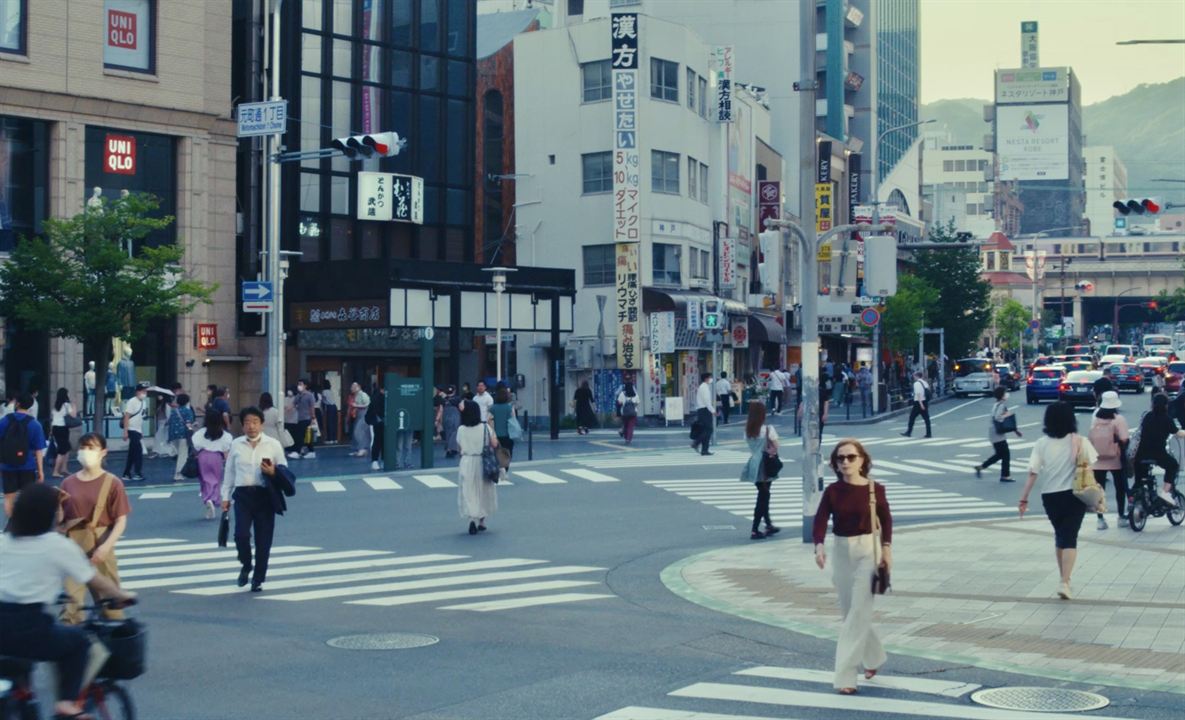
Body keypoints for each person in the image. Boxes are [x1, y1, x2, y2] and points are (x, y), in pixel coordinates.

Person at [0, 484, 136, 720]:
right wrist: (120, 595)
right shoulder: (57, 546)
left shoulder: (4, 542)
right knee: (78, 643)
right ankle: (66, 703)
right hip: (29, 626)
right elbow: (94, 579)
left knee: (20, 674)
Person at [813, 439, 892, 694]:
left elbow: (886, 520)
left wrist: (887, 551)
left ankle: (845, 676)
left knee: (859, 610)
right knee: (851, 613)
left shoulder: (874, 489)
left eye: (851, 457)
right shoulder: (833, 492)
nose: (845, 462)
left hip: (868, 550)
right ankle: (874, 657)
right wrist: (819, 546)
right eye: (840, 458)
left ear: (862, 460)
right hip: (841, 551)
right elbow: (821, 518)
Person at [1018, 401, 1099, 600]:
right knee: (1070, 537)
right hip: (1074, 494)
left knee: (1060, 536)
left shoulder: (1041, 443)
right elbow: (1091, 466)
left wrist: (1024, 498)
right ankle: (1065, 581)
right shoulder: (1079, 441)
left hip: (1050, 496)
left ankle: (1064, 579)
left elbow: (1033, 472)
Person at [58, 432, 131, 624]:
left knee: (110, 605)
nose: (85, 452)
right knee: (71, 604)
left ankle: (116, 644)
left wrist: (105, 547)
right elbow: (61, 518)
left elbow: (121, 520)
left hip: (102, 539)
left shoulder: (112, 482)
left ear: (103, 452)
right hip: (74, 542)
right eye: (83, 448)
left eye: (91, 448)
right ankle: (72, 641)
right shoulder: (68, 482)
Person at [220, 407, 288, 592]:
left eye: (255, 422)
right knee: (240, 535)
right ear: (242, 426)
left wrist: (273, 471)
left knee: (263, 540)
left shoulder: (272, 444)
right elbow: (229, 472)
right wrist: (225, 496)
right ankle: (246, 564)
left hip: (265, 495)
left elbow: (284, 470)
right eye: (247, 422)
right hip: (242, 495)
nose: (251, 426)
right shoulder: (236, 444)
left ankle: (258, 578)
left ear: (262, 424)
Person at [1133, 393, 1185, 507]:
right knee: (1173, 465)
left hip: (1141, 453)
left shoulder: (1147, 416)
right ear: (1166, 405)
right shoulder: (1167, 419)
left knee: (1139, 480)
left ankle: (1135, 498)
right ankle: (1165, 493)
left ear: (1153, 404)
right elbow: (1177, 432)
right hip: (1158, 454)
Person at [1, 393, 47, 520]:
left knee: (9, 498)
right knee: (28, 497)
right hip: (27, 466)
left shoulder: (5, 420)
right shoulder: (35, 424)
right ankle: (25, 526)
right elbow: (38, 450)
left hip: (7, 466)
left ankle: (13, 523)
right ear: (30, 406)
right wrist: (41, 471)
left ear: (17, 404)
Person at [1088, 391, 1130, 528]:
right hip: (1115, 459)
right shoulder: (1118, 419)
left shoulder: (1096, 419)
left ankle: (1100, 520)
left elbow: (1091, 439)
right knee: (1120, 488)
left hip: (1098, 459)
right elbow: (1124, 439)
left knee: (1100, 490)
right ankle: (1120, 516)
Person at [740, 402, 780, 540]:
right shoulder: (768, 429)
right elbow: (776, 446)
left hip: (753, 464)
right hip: (765, 465)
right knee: (763, 497)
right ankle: (755, 529)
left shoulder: (748, 430)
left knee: (764, 494)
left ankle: (768, 524)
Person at [457, 400, 497, 535]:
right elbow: (495, 444)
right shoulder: (485, 428)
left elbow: (459, 447)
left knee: (469, 492)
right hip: (482, 461)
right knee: (483, 491)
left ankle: (471, 519)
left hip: (467, 461)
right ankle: (481, 521)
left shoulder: (461, 429)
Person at [974, 386, 1022, 482]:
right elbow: (997, 418)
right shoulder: (1001, 405)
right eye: (1005, 393)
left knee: (1000, 454)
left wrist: (1015, 430)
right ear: (1002, 395)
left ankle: (982, 467)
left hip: (994, 432)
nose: (1007, 395)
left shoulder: (997, 404)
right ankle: (1005, 475)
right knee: (1005, 454)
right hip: (997, 433)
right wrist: (1006, 415)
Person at [193, 409, 233, 519]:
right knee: (216, 480)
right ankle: (214, 498)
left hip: (202, 456)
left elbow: (196, 446)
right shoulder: (224, 434)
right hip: (216, 457)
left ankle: (207, 499)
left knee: (205, 479)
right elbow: (226, 450)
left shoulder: (201, 433)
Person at [120, 382, 149, 482]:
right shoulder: (132, 401)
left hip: (137, 430)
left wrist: (141, 431)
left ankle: (127, 473)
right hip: (131, 429)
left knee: (132, 453)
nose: (144, 393)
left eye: (145, 391)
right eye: (143, 391)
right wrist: (125, 432)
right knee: (138, 452)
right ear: (137, 391)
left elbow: (141, 417)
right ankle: (137, 472)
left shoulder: (143, 403)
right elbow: (127, 416)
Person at [50, 388, 78, 479]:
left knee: (66, 448)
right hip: (63, 428)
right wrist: (74, 404)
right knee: (62, 450)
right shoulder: (66, 405)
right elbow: (73, 415)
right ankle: (56, 471)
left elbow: (53, 419)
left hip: (55, 428)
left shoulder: (55, 406)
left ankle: (64, 468)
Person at [168, 393, 196, 481]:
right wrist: (192, 428)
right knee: (183, 455)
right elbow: (188, 424)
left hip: (173, 435)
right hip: (183, 435)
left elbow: (170, 423)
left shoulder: (174, 411)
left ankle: (179, 472)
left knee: (179, 454)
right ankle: (178, 474)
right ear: (187, 401)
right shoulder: (188, 411)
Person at [290, 379, 317, 460]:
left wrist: (313, 418)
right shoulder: (298, 395)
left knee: (301, 436)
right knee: (305, 435)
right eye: (298, 384)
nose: (299, 386)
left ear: (305, 386)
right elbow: (293, 404)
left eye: (301, 384)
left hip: (307, 418)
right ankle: (310, 451)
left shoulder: (309, 395)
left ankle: (298, 451)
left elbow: (312, 407)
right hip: (300, 418)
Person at [900, 372, 931, 438]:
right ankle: (929, 433)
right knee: (926, 419)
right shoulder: (925, 382)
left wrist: (920, 404)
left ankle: (909, 432)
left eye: (914, 376)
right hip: (925, 401)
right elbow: (928, 390)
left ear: (916, 376)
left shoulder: (916, 383)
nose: (913, 377)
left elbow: (918, 394)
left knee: (912, 417)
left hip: (918, 402)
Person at [490, 385, 517, 459]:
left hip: (495, 436)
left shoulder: (492, 408)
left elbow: (489, 421)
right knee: (506, 456)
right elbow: (513, 421)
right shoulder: (509, 408)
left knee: (496, 455)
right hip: (507, 435)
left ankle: (499, 468)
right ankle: (504, 468)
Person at [692, 373, 715, 456]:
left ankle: (704, 450)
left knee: (706, 430)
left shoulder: (703, 386)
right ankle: (696, 443)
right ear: (706, 378)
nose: (711, 379)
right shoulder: (704, 387)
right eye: (710, 377)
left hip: (702, 410)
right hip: (705, 410)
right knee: (708, 429)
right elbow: (706, 401)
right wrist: (713, 410)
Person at [350, 383, 372, 458]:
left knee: (359, 431)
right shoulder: (356, 395)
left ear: (359, 387)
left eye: (354, 386)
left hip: (364, 414)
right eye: (352, 387)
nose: (352, 388)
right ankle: (360, 448)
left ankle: (363, 448)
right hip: (359, 414)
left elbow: (367, 404)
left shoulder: (363, 394)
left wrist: (356, 406)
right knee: (358, 431)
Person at [367, 386, 386, 471]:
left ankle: (375, 461)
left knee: (376, 441)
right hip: (384, 422)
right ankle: (383, 460)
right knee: (383, 442)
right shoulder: (384, 398)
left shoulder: (374, 398)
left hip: (376, 422)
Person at [442, 385, 462, 458]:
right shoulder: (444, 399)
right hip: (448, 417)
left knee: (453, 433)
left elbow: (456, 402)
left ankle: (452, 449)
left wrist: (446, 397)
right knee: (449, 434)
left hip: (453, 417)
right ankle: (449, 449)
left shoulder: (457, 398)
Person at [282, 386, 299, 455]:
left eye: (290, 390)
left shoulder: (296, 399)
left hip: (294, 420)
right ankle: (287, 448)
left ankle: (294, 449)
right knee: (287, 435)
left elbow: (295, 406)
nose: (289, 392)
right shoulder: (285, 399)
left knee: (294, 435)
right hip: (286, 419)